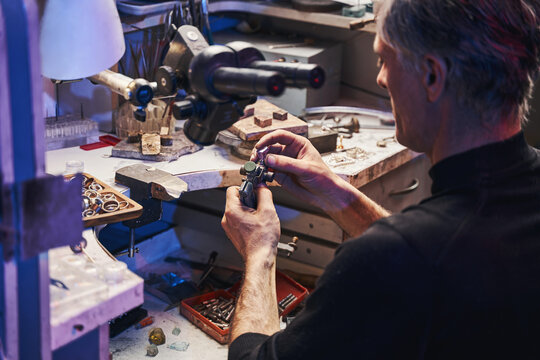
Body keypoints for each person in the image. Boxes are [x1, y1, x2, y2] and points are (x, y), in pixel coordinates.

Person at [221, 0, 540, 358]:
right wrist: (337, 194)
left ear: (433, 76)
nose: (380, 78)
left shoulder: (385, 261)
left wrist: (260, 250)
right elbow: (441, 260)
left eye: (385, 58)